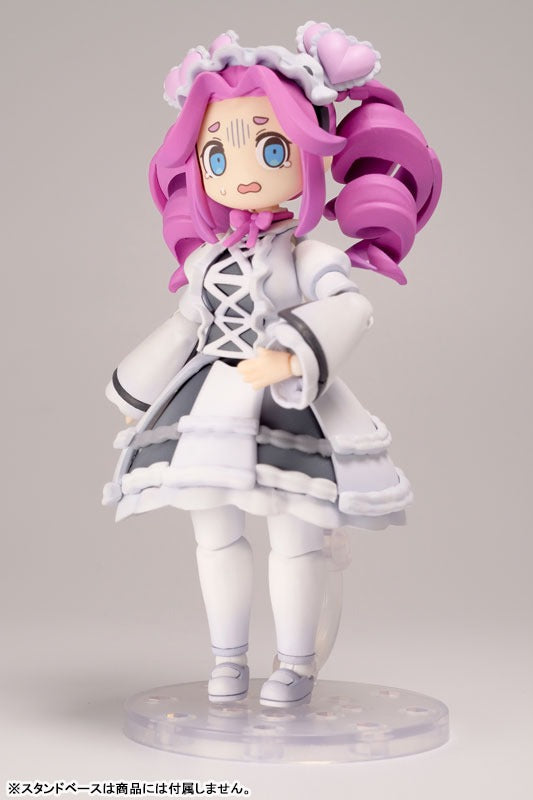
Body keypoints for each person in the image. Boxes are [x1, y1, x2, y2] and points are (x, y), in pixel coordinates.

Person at [103, 22, 441, 707]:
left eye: (270, 146)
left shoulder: (309, 256)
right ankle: (228, 659)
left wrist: (290, 352)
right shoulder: (207, 262)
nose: (243, 170)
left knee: (295, 537)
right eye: (216, 154)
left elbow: (350, 307)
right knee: (214, 535)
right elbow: (183, 327)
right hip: (205, 405)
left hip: (287, 402)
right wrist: (140, 396)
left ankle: (294, 664)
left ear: (310, 150)